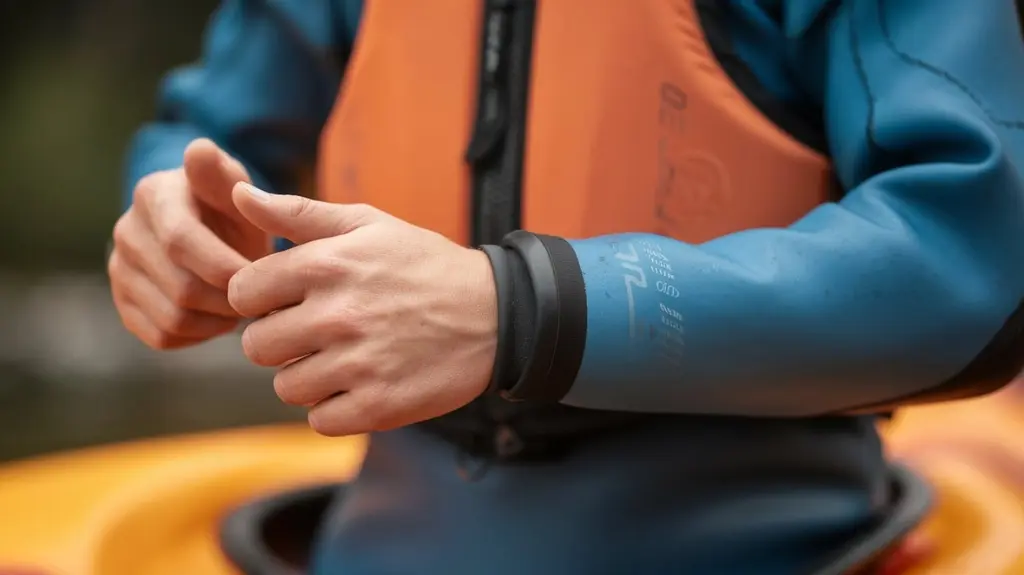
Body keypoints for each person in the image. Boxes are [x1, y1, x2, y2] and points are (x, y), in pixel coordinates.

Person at [107, 0, 1024, 573]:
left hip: (778, 546)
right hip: (377, 542)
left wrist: (519, 311)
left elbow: (972, 261)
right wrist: (173, 221)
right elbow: (206, 134)